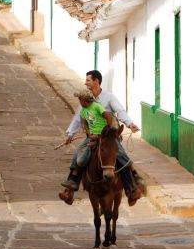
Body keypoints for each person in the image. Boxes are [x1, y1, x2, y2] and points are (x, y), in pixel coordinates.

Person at [59, 70, 145, 206]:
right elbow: (79, 118)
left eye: (88, 80)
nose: (85, 83)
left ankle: (131, 189)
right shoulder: (84, 99)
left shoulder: (108, 97)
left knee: (120, 156)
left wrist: (129, 123)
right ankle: (70, 188)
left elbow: (120, 111)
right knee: (79, 155)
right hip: (92, 137)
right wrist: (71, 133)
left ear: (96, 81)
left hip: (108, 137)